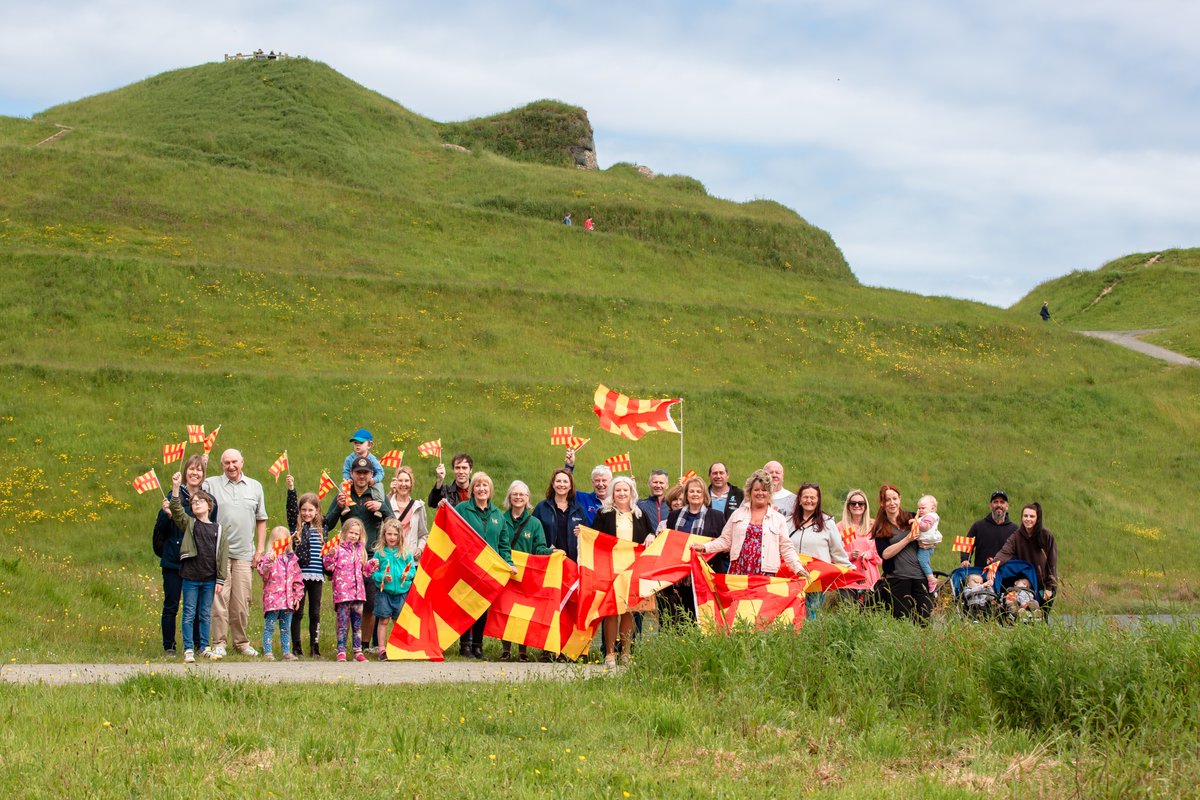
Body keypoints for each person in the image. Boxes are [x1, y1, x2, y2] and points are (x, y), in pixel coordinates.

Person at [325, 456, 395, 652]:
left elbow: (393, 522)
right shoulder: (343, 494)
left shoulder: (377, 495)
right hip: (346, 560)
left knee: (370, 604)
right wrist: (339, 507)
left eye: (365, 473)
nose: (362, 476)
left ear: (371, 474)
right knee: (345, 604)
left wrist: (382, 507)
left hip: (371, 556)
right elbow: (327, 523)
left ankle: (363, 645)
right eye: (358, 472)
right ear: (352, 474)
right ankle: (342, 645)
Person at [204, 448, 268, 658]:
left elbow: (261, 519)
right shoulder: (211, 484)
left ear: (242, 462)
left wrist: (260, 549)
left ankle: (241, 642)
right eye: (226, 463)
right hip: (218, 553)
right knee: (219, 600)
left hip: (244, 554)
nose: (231, 466)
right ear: (221, 465)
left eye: (234, 462)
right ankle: (219, 642)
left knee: (241, 602)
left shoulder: (255, 486)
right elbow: (196, 500)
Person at [692, 469, 807, 579]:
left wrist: (798, 569)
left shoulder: (778, 518)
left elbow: (786, 548)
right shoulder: (737, 514)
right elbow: (725, 540)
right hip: (738, 571)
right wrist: (704, 547)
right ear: (750, 492)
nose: (760, 493)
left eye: (764, 490)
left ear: (769, 493)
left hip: (765, 574)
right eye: (756, 490)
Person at [152, 454, 211, 656]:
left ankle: (197, 644)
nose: (195, 473)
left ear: (203, 474)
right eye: (191, 469)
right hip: (174, 559)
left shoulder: (207, 499)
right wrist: (166, 514)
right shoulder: (173, 496)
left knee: (196, 607)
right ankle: (169, 646)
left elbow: (210, 526)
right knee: (171, 605)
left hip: (196, 562)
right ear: (185, 472)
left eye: (199, 470)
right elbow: (160, 529)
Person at [593, 475, 655, 667]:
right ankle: (610, 653)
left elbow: (650, 533)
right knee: (611, 611)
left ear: (631, 492)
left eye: (625, 490)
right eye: (618, 490)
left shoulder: (640, 514)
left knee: (629, 611)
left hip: (633, 570)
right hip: (610, 569)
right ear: (612, 493)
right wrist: (583, 534)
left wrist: (651, 535)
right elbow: (594, 537)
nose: (621, 493)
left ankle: (626, 653)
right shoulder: (604, 513)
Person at [452, 471, 513, 659]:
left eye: (485, 485)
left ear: (490, 490)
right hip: (467, 566)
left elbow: (503, 543)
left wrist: (509, 563)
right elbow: (451, 529)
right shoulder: (462, 509)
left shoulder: (498, 515)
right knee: (466, 605)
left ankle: (478, 647)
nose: (481, 489)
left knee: (482, 607)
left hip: (488, 569)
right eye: (477, 485)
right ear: (472, 489)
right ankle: (464, 646)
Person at [168, 472, 228, 663]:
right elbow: (176, 510)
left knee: (205, 614)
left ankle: (204, 647)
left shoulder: (218, 529)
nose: (196, 504)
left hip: (209, 579)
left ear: (209, 505)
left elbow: (222, 555)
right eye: (193, 503)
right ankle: (188, 649)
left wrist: (220, 579)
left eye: (200, 501)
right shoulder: (190, 524)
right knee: (189, 613)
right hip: (190, 578)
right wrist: (176, 487)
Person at [499, 480, 555, 662]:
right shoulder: (500, 519)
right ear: (509, 497)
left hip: (526, 576)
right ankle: (506, 650)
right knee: (505, 611)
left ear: (528, 498)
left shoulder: (535, 523)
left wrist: (551, 552)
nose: (518, 497)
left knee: (522, 613)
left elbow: (539, 548)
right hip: (505, 573)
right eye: (514, 494)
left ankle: (522, 651)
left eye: (521, 494)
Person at [661, 476, 726, 621]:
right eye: (691, 491)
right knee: (684, 617)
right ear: (686, 495)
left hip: (707, 575)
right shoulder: (674, 516)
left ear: (704, 494)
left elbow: (723, 543)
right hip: (681, 576)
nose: (695, 494)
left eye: (698, 491)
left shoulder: (716, 516)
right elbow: (670, 543)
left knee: (707, 617)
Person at [787, 482, 851, 618]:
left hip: (816, 579)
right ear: (799, 500)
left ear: (818, 500)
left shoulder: (828, 523)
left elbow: (837, 551)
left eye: (812, 497)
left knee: (812, 614)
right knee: (793, 615)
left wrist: (850, 569)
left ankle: (810, 632)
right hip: (792, 577)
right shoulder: (788, 522)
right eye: (805, 497)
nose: (809, 500)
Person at [871, 484, 931, 622]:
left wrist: (929, 543)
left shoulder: (912, 517)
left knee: (924, 620)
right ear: (882, 503)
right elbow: (885, 554)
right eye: (887, 500)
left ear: (900, 499)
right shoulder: (880, 527)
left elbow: (930, 533)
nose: (892, 503)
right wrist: (908, 539)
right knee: (902, 621)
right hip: (898, 578)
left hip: (920, 576)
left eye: (895, 498)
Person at [988, 502, 1058, 611]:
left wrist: (1049, 587)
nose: (1028, 519)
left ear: (1037, 518)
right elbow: (1004, 552)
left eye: (1032, 516)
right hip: (1026, 585)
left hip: (1044, 585)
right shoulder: (1016, 536)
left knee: (1041, 616)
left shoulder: (1046, 535)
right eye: (1025, 516)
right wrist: (993, 565)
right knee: (1023, 615)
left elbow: (1052, 562)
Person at [322, 518, 375, 662]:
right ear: (344, 532)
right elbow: (328, 567)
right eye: (351, 532)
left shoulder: (360, 551)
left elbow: (365, 572)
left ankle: (358, 651)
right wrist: (330, 555)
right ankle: (341, 650)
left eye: (356, 534)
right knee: (342, 624)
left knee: (357, 625)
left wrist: (372, 565)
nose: (353, 536)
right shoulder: (338, 549)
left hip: (358, 594)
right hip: (343, 594)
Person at [285, 478, 325, 658]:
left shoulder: (323, 528)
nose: (307, 513)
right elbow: (291, 509)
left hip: (316, 576)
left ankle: (315, 647)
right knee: (298, 611)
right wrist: (291, 489)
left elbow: (335, 511)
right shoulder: (297, 528)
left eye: (310, 510)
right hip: (299, 577)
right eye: (304, 510)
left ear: (317, 511)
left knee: (315, 612)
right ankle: (296, 646)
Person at [372, 517, 417, 660]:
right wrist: (382, 577)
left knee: (399, 621)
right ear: (384, 534)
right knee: (383, 620)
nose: (392, 537)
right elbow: (373, 572)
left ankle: (399, 647)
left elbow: (412, 570)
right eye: (389, 534)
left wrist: (407, 575)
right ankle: (381, 649)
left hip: (402, 592)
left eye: (395, 534)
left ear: (400, 536)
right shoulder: (380, 553)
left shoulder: (405, 552)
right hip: (384, 593)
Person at [257, 526, 304, 661]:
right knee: (270, 626)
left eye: (284, 541)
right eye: (277, 541)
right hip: (273, 599)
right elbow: (262, 572)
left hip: (288, 600)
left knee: (286, 627)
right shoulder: (269, 558)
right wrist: (269, 561)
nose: (281, 544)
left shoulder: (292, 560)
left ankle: (286, 652)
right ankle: (268, 651)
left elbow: (297, 579)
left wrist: (297, 597)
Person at [532, 468, 587, 562]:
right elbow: (533, 533)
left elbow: (586, 537)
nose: (561, 484)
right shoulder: (541, 508)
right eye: (558, 481)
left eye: (565, 481)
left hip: (572, 562)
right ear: (553, 485)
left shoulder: (579, 509)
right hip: (548, 560)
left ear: (570, 486)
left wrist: (582, 532)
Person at [838, 489, 882, 602]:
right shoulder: (840, 527)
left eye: (861, 503)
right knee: (847, 610)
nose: (857, 505)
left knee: (868, 610)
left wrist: (869, 554)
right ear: (848, 506)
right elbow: (835, 553)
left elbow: (881, 553)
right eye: (853, 503)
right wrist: (850, 555)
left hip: (868, 577)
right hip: (847, 577)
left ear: (865, 506)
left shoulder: (873, 525)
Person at [961, 491, 1018, 569]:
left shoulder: (1015, 529)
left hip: (1006, 573)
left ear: (1007, 506)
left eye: (1002, 502)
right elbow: (966, 544)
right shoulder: (978, 526)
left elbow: (1020, 552)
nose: (999, 505)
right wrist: (964, 560)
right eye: (995, 502)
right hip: (981, 572)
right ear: (990, 506)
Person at [386, 466, 428, 561]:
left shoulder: (418, 507)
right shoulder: (388, 504)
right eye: (400, 481)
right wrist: (390, 493)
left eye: (407, 481)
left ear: (411, 483)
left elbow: (423, 534)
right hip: (390, 559)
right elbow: (380, 531)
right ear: (395, 482)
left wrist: (420, 549)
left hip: (410, 560)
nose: (403, 484)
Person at [341, 428, 385, 501]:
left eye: (361, 443)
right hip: (353, 482)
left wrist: (374, 480)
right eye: (355, 443)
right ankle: (344, 502)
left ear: (369, 445)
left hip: (369, 482)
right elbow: (345, 471)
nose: (357, 445)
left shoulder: (373, 459)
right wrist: (348, 479)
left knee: (379, 485)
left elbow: (380, 472)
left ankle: (379, 502)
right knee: (342, 485)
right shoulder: (349, 459)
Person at [913, 495, 943, 593]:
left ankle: (931, 579)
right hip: (925, 544)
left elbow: (925, 527)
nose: (920, 510)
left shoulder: (930, 517)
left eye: (923, 508)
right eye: (919, 508)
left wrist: (915, 522)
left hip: (926, 546)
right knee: (925, 561)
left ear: (932, 508)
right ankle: (929, 576)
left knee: (922, 560)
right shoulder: (924, 516)